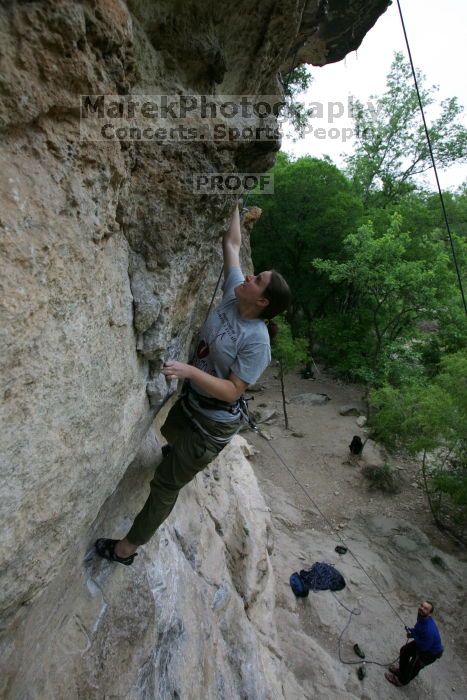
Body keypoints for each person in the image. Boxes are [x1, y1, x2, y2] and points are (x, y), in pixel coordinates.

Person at [95, 203, 291, 565]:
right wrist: (234, 198)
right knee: (170, 433)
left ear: (262, 301)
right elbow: (231, 244)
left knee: (166, 485)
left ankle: (125, 550)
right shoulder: (236, 293)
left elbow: (233, 390)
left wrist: (189, 372)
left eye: (257, 279)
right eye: (253, 274)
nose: (248, 276)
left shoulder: (256, 341)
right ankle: (180, 458)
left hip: (211, 424)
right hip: (193, 405)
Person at [385, 600, 444, 687]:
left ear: (430, 613)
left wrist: (414, 636)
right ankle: (401, 671)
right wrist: (412, 632)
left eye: (426, 608)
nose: (422, 609)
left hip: (429, 653)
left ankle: (401, 681)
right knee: (404, 650)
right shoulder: (422, 617)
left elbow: (423, 647)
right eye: (422, 606)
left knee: (413, 666)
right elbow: (418, 630)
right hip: (423, 643)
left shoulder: (429, 630)